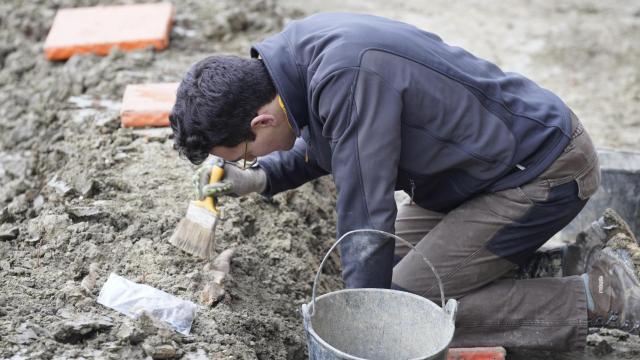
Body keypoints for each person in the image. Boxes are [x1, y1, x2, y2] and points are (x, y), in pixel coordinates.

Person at [169, 12, 640, 350]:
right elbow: (330, 145)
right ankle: (541, 267)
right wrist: (261, 178)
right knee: (385, 265)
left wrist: (364, 330)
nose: (251, 161)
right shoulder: (292, 61)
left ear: (259, 123)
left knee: (401, 306)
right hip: (474, 174)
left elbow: (366, 213)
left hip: (542, 171)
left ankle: (599, 296)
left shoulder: (345, 77)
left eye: (247, 156)